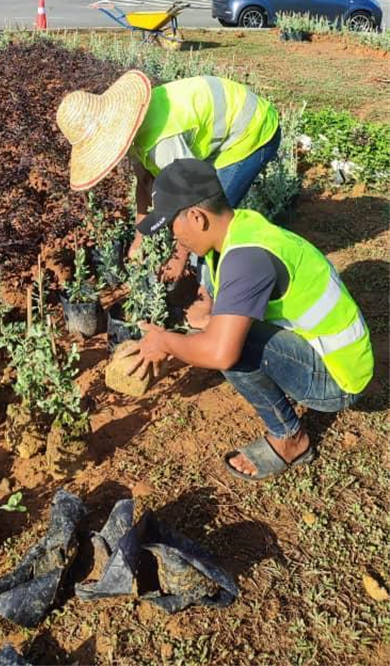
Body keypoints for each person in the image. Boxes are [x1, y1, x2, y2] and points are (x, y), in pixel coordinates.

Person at [119, 158, 374, 482]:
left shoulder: (246, 259)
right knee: (218, 332)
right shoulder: (239, 228)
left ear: (196, 217)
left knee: (228, 348)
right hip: (332, 351)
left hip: (339, 379)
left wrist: (166, 341)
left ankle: (289, 439)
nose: (173, 239)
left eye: (172, 226)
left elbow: (219, 352)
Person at [56, 70, 280, 275]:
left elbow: (197, 201)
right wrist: (139, 240)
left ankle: (212, 293)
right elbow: (145, 183)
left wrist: (178, 258)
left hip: (251, 130)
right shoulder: (135, 125)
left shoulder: (161, 144)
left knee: (213, 221)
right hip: (221, 131)